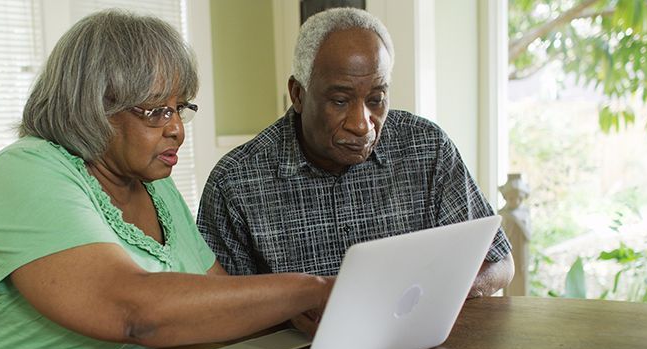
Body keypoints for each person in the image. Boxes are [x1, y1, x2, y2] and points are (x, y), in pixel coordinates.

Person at [0, 10, 332, 349]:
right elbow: (132, 309)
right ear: (92, 109)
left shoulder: (154, 184)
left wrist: (286, 315)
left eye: (179, 108)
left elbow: (213, 302)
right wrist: (307, 291)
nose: (178, 130)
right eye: (156, 111)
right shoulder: (27, 170)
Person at [197, 7, 514, 300]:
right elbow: (219, 308)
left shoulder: (426, 147)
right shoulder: (236, 183)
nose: (362, 125)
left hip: (419, 347)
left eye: (376, 99)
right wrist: (292, 307)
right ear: (298, 94)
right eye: (339, 101)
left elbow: (499, 263)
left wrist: (429, 296)